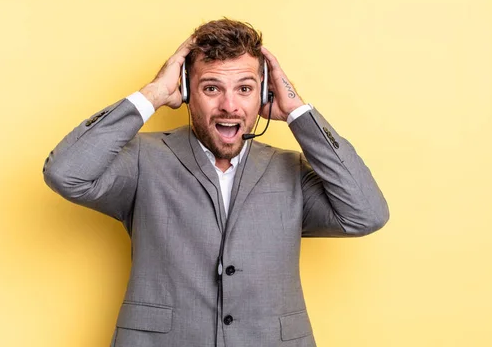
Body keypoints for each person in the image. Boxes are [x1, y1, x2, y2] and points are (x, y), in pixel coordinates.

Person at [43, 18, 389, 347]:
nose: (229, 106)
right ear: (185, 91)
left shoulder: (291, 171)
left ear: (264, 95)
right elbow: (66, 173)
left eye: (245, 89)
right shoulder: (142, 161)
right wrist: (152, 94)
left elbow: (366, 214)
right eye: (211, 88)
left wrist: (298, 112)